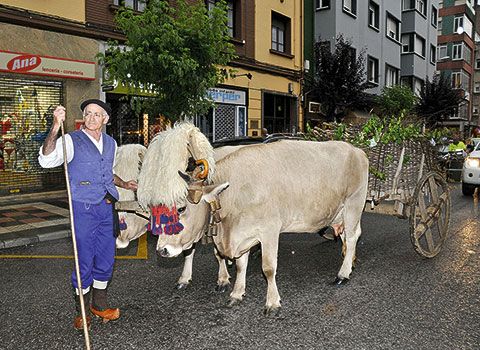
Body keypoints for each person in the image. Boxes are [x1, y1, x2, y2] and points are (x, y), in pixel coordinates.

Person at [38, 99, 137, 330]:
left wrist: (125, 183)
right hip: (83, 207)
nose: (91, 118)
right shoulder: (71, 140)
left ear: (106, 119)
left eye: (96, 114)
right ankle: (81, 310)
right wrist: (54, 126)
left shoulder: (111, 143)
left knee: (106, 257)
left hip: (106, 206)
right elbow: (46, 159)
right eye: (88, 114)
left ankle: (99, 305)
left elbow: (107, 172)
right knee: (84, 259)